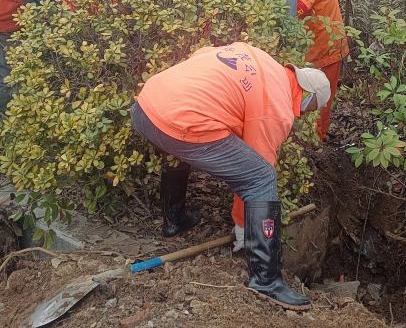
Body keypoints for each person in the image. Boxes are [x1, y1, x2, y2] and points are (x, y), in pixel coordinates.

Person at [131, 42, 331, 310]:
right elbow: (253, 174)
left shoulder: (258, 56)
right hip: (178, 119)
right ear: (308, 99)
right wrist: (242, 226)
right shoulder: (277, 108)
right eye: (310, 108)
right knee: (262, 177)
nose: (305, 113)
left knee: (180, 138)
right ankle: (266, 280)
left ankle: (174, 221)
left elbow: (202, 56)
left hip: (148, 106)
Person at [297, 0, 349, 140]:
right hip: (318, 46)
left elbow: (294, 10)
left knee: (320, 98)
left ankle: (316, 140)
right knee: (313, 96)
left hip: (326, 49)